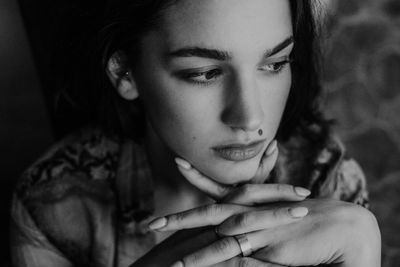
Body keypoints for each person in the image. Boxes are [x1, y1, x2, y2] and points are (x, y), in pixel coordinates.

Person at [10, 0, 381, 266]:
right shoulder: (52, 204)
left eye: (275, 64)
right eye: (205, 73)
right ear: (126, 73)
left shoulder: (328, 180)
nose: (251, 118)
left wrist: (362, 249)